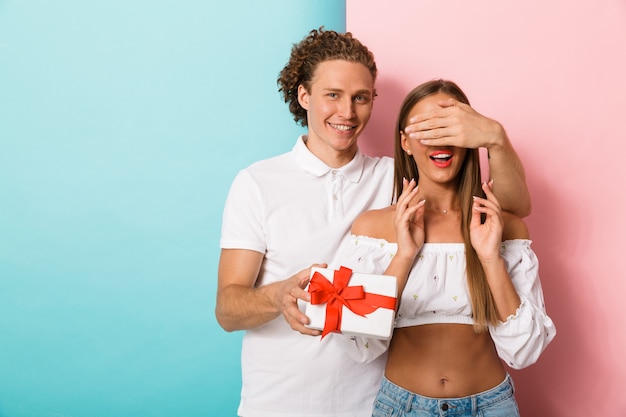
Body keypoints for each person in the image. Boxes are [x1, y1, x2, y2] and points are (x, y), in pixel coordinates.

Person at [215, 27, 532, 417]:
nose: (347, 112)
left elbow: (512, 210)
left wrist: (495, 138)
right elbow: (227, 309)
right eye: (333, 95)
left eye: (360, 98)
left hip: (370, 402)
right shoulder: (258, 183)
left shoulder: (398, 180)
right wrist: (277, 295)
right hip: (280, 402)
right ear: (303, 96)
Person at [335, 79, 556, 417]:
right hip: (402, 407)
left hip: (491, 407)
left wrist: (489, 258)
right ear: (405, 142)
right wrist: (404, 255)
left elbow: (524, 350)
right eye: (427, 129)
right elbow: (360, 344)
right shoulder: (372, 229)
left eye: (451, 128)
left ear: (471, 139)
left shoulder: (502, 226)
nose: (441, 140)